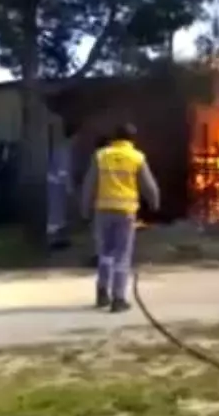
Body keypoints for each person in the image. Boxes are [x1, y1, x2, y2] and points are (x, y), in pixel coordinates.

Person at [80, 122, 160, 313]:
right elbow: (149, 186)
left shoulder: (101, 156)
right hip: (125, 212)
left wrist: (84, 208)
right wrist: (155, 204)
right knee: (122, 256)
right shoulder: (137, 157)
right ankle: (118, 299)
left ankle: (101, 293)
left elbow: (89, 184)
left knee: (104, 253)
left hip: (103, 210)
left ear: (114, 138)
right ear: (132, 139)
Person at [46, 120, 79, 250]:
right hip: (57, 185)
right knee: (56, 213)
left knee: (58, 213)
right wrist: (70, 188)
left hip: (56, 184)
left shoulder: (63, 148)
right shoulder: (66, 149)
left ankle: (59, 239)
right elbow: (63, 172)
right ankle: (53, 241)